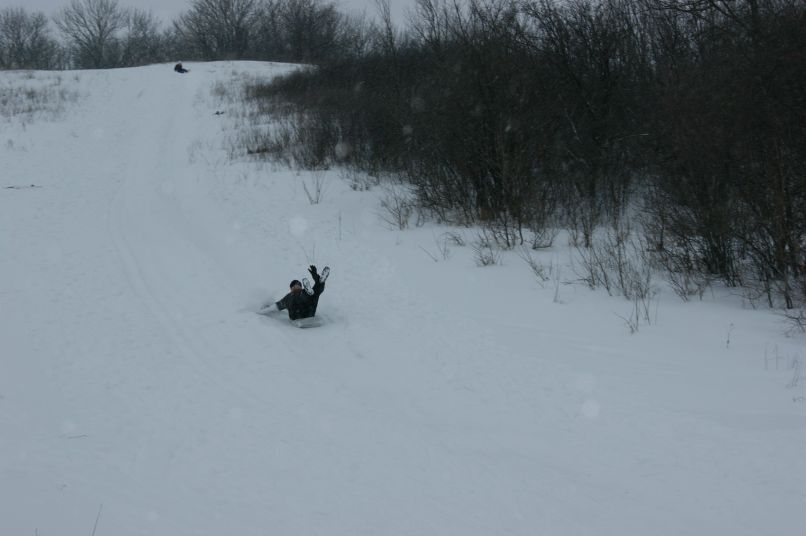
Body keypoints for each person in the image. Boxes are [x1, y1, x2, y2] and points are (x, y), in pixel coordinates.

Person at [260, 265, 330, 320]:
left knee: (315, 293)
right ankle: (319, 283)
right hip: (297, 315)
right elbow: (277, 306)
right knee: (308, 294)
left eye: (299, 286)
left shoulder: (303, 292)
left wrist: (315, 276)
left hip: (309, 312)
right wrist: (263, 310)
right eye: (295, 286)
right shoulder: (289, 296)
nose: (297, 287)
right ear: (291, 288)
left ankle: (320, 281)